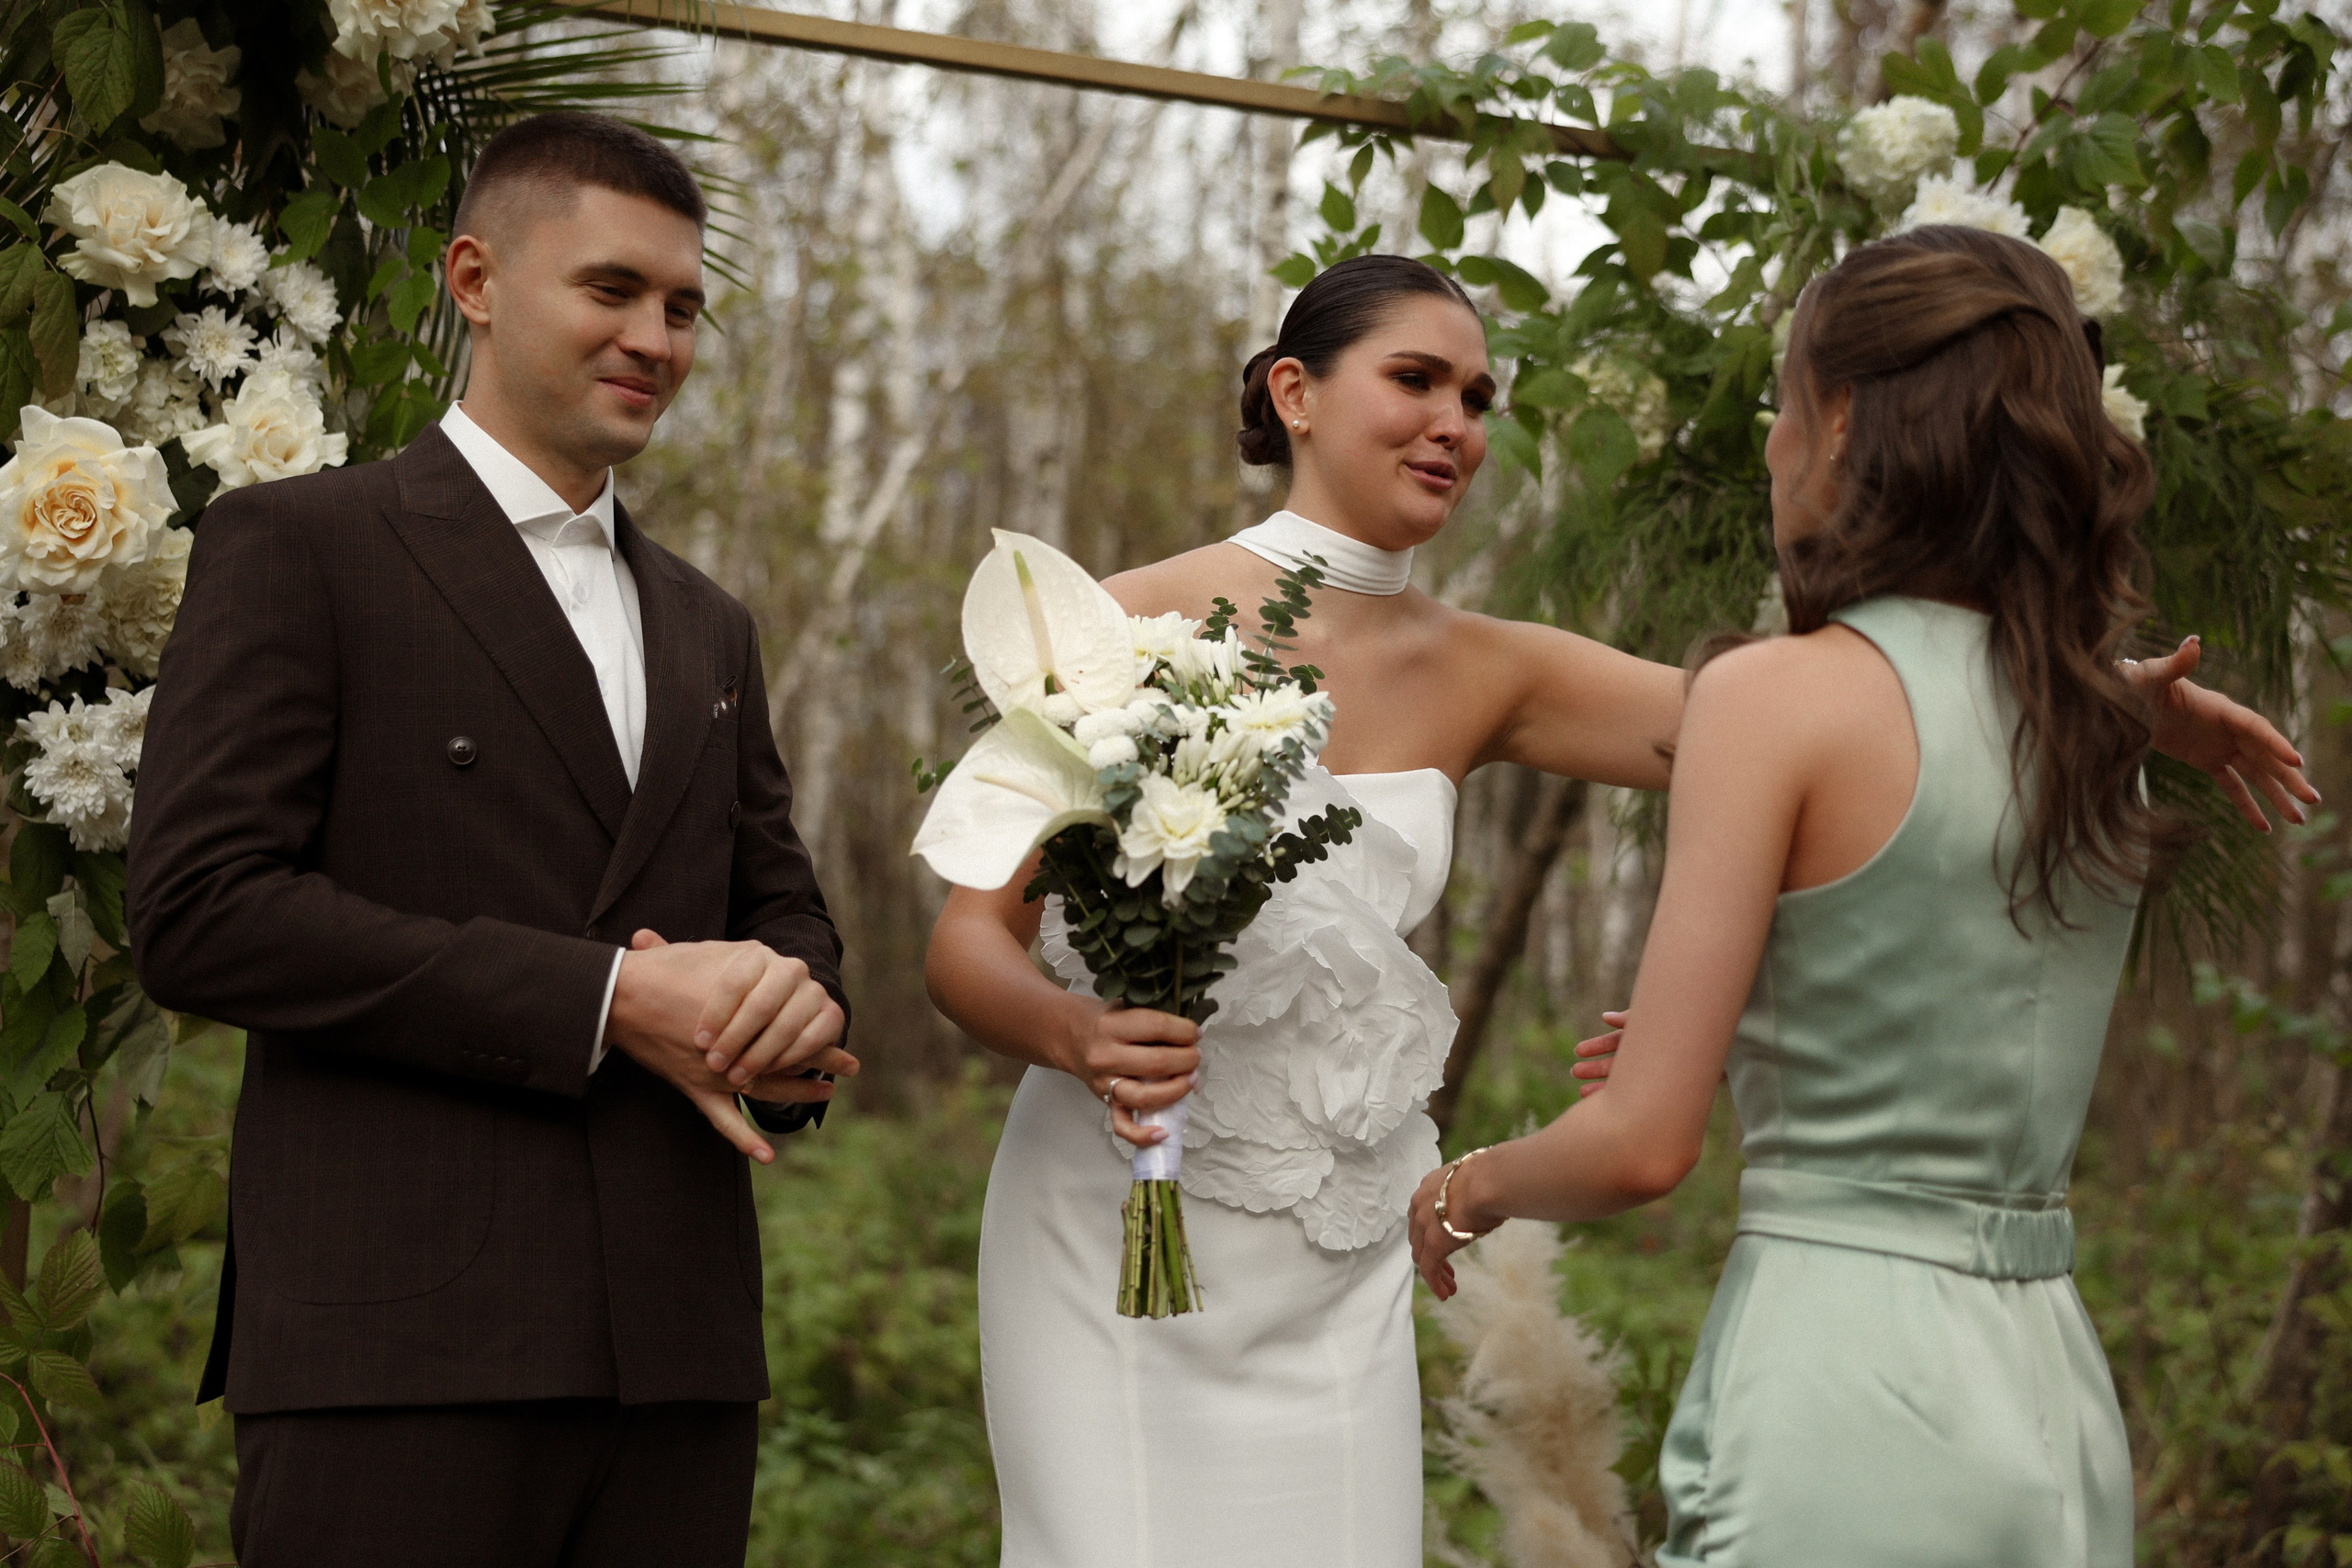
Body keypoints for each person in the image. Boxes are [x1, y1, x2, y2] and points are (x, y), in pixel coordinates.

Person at [923, 252, 2311, 1567]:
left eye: (1477, 401)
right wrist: (1072, 1033)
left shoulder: (1492, 667)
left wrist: (2112, 691)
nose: (1454, 424)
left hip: (1345, 1238)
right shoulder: (1119, 628)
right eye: (1414, 381)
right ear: (1294, 392)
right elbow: (963, 944)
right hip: (1119, 1211)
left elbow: (1852, 717)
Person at [1405, 225, 2245, 1563]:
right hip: (2055, 1399)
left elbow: (1640, 1146)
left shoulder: (1775, 697)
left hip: (1845, 1391)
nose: (1774, 447)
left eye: (1782, 406)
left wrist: (1461, 1188)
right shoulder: (2099, 730)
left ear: (1844, 416)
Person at [126, 112, 854, 1568]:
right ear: (475, 277)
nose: (657, 335)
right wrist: (604, 999)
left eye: (685, 306)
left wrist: (796, 1009)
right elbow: (200, 912)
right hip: (396, 1356)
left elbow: (786, 913)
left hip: (679, 1362)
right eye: (612, 289)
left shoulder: (711, 623)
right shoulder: (298, 545)